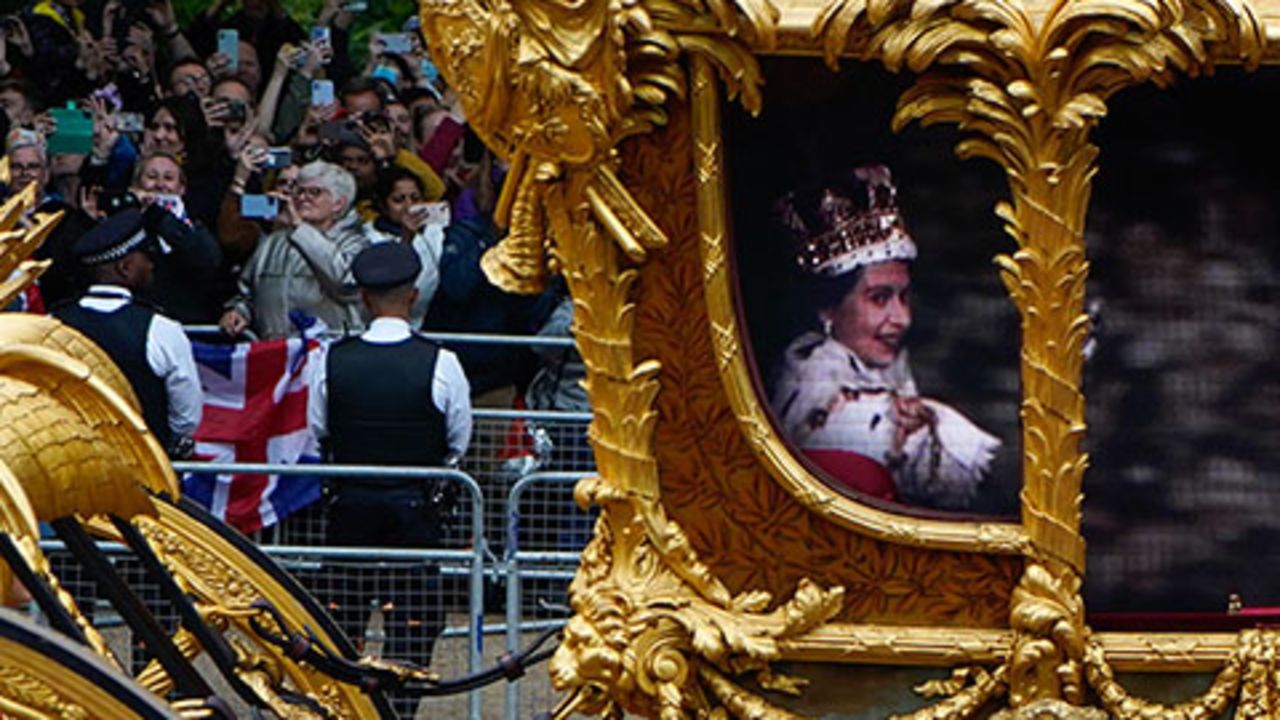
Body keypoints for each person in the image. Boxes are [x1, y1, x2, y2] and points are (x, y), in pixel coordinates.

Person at [769, 164, 1000, 510]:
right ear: (827, 310)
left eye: (903, 297)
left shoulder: (885, 383)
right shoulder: (821, 399)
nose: (902, 319)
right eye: (879, 298)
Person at [307, 242, 470, 713]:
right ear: (413, 295)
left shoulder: (331, 360)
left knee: (343, 615)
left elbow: (320, 430)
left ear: (364, 299)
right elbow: (457, 441)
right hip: (416, 510)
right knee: (413, 622)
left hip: (349, 508)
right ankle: (401, 711)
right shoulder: (441, 362)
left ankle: (347, 709)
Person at [52, 208, 203, 458]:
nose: (152, 264)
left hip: (72, 473)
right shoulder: (161, 329)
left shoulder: (53, 325)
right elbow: (186, 418)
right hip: (145, 476)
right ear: (125, 267)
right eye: (145, 257)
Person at [220, 159, 366, 339]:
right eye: (299, 191)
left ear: (338, 204)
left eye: (315, 192)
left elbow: (346, 286)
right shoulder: (273, 242)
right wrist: (240, 312)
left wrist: (300, 229)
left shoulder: (354, 243)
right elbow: (248, 292)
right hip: (276, 352)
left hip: (330, 352)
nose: (303, 197)